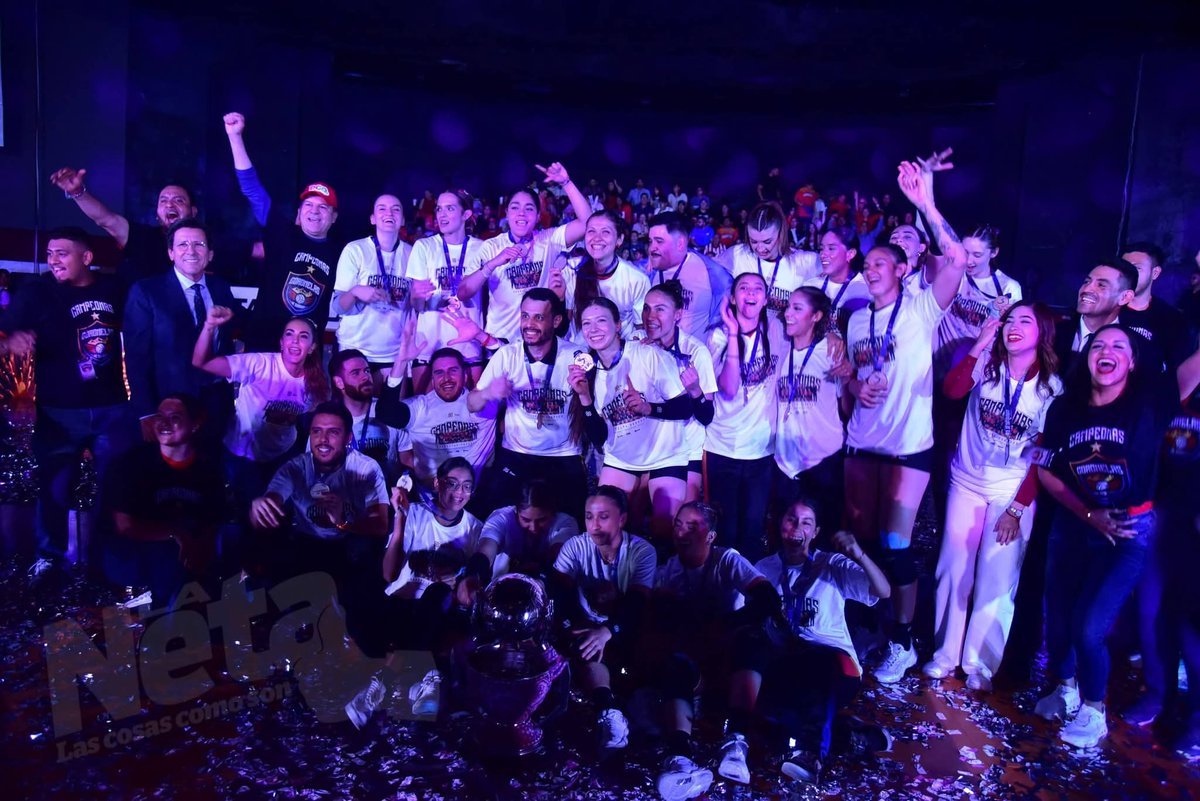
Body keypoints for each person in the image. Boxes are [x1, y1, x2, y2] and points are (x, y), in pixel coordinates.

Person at [842, 158, 966, 684]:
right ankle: (872, 629)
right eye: (866, 264)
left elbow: (956, 258)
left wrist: (926, 204)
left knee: (896, 544)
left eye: (881, 264)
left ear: (902, 270)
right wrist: (855, 384)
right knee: (864, 539)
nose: (870, 270)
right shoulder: (855, 318)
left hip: (907, 447)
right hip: (861, 443)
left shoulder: (920, 307)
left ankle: (904, 640)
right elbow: (850, 377)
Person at [1034, 325, 1177, 748]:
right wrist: (1088, 513)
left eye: (1119, 347)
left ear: (1133, 362)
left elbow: (1187, 374)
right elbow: (1044, 469)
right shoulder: (1064, 408)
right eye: (1098, 344)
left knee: (1089, 627)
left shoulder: (1148, 405)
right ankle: (1065, 687)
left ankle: (1094, 711)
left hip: (1128, 531)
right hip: (1076, 523)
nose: (1106, 351)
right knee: (1058, 622)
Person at [925, 302, 1062, 690]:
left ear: (1042, 333)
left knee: (998, 577)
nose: (1013, 327)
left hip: (1012, 489)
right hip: (966, 481)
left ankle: (979, 666)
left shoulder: (1052, 388)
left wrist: (1017, 509)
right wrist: (980, 342)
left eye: (1025, 321)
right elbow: (951, 391)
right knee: (953, 568)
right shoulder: (986, 365)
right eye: (1009, 321)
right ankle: (944, 656)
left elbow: (1041, 456)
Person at [718, 499, 891, 785]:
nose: (797, 527)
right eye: (791, 519)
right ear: (779, 524)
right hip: (786, 661)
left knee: (815, 662)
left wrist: (858, 553)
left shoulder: (831, 564)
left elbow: (882, 591)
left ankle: (811, 754)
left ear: (815, 531)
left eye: (806, 522)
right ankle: (851, 735)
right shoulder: (764, 567)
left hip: (833, 664)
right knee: (753, 652)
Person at [1, 227, 132, 578]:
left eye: (62, 253)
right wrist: (12, 341)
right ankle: (50, 557)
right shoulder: (37, 292)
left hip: (112, 409)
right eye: (50, 253)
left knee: (114, 486)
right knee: (55, 487)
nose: (53, 259)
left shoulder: (114, 288)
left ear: (87, 258)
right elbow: (6, 335)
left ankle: (106, 558)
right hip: (58, 411)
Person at [649, 501, 777, 800]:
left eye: (692, 526)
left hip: (731, 657)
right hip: (695, 659)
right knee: (673, 662)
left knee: (752, 641)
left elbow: (768, 600)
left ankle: (735, 741)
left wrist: (725, 625)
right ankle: (679, 757)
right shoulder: (669, 569)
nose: (682, 531)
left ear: (710, 536)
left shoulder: (726, 560)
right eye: (679, 524)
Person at [1127, 342, 1200, 755]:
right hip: (1161, 517)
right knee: (1151, 613)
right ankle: (1159, 693)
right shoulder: (1169, 396)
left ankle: (1197, 719)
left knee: (1194, 628)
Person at [569, 298, 693, 537]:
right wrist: (584, 397)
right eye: (586, 324)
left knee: (664, 529)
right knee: (606, 522)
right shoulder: (589, 371)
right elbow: (599, 439)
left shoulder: (646, 354)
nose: (593, 329)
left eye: (601, 321)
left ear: (618, 325)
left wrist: (650, 408)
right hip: (622, 459)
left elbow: (686, 408)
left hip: (664, 455)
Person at [223, 112, 344, 351]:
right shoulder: (282, 233)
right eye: (308, 205)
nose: (314, 211)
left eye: (323, 207)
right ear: (299, 212)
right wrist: (235, 137)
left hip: (306, 359)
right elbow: (252, 190)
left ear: (334, 217)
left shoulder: (343, 252)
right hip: (263, 345)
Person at [551, 486, 656, 750]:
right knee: (584, 648)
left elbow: (637, 602)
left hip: (627, 627)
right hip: (585, 625)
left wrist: (607, 631)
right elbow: (560, 591)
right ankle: (608, 712)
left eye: (603, 517)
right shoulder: (576, 546)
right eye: (588, 516)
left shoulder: (642, 551)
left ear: (622, 519)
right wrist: (576, 627)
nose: (594, 525)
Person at [468, 289, 588, 520]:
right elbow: (472, 404)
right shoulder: (506, 355)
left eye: (538, 317)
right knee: (497, 519)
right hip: (517, 454)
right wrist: (488, 392)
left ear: (556, 321)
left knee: (571, 523)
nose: (529, 324)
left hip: (563, 455)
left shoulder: (575, 356)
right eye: (525, 316)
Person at [193, 309, 329, 509]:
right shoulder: (258, 364)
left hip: (283, 456)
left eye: (303, 337)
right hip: (243, 456)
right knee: (245, 513)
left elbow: (314, 411)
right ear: (281, 342)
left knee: (279, 515)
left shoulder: (315, 382)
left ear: (312, 347)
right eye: (289, 334)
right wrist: (209, 327)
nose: (294, 341)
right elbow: (201, 362)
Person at [104, 394, 227, 606]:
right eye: (160, 416)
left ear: (195, 424)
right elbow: (124, 525)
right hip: (138, 551)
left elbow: (213, 518)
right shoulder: (133, 464)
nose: (164, 423)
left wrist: (201, 546)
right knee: (169, 564)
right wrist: (175, 534)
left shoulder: (207, 468)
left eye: (175, 417)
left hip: (185, 550)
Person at [457, 163, 592, 343]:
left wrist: (566, 182)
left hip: (540, 341)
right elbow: (463, 293)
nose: (521, 213)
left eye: (529, 209)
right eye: (515, 207)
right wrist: (494, 263)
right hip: (500, 344)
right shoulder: (491, 247)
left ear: (537, 217)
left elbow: (587, 223)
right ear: (506, 213)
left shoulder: (548, 239)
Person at [123, 219, 240, 420]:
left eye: (199, 245)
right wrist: (146, 412)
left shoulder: (221, 287)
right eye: (182, 245)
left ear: (210, 254)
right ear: (171, 253)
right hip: (169, 406)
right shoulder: (146, 292)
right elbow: (137, 359)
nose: (191, 251)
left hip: (218, 403)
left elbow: (230, 340)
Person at [705, 272, 783, 563]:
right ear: (733, 297)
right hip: (722, 446)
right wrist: (734, 334)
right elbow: (728, 387)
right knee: (726, 531)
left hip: (761, 448)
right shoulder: (717, 336)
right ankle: (723, 600)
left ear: (765, 298)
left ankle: (749, 600)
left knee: (752, 531)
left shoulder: (777, 332)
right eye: (743, 288)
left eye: (757, 289)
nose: (750, 293)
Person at [772, 288, 845, 540]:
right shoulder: (780, 345)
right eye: (788, 306)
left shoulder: (831, 350)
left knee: (822, 536)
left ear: (816, 316)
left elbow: (844, 402)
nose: (788, 314)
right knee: (783, 536)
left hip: (822, 460)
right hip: (785, 460)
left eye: (797, 308)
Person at [376, 343, 498, 494]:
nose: (446, 378)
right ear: (432, 380)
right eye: (439, 373)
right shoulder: (421, 406)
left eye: (453, 371)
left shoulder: (484, 403)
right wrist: (400, 362)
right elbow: (385, 413)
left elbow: (513, 362)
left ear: (465, 375)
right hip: (432, 498)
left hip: (477, 497)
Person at [49, 167, 203, 283]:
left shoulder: (205, 246)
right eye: (163, 200)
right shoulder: (142, 237)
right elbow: (105, 219)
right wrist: (77, 192)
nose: (169, 204)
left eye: (178, 200)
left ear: (193, 212)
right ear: (156, 213)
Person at [640, 281, 717, 503]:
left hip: (685, 451)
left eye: (659, 309)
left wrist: (695, 391)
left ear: (677, 314)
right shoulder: (642, 347)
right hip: (650, 447)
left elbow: (706, 416)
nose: (650, 316)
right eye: (646, 308)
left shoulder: (696, 352)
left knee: (678, 522)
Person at [331, 194, 420, 384]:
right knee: (353, 413)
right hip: (354, 350)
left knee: (391, 412)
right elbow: (338, 307)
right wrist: (355, 291)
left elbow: (416, 304)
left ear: (403, 219)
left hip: (394, 352)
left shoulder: (412, 253)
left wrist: (420, 295)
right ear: (372, 218)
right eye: (382, 208)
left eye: (396, 209)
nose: (389, 213)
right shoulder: (355, 250)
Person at [407, 189, 487, 391]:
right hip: (429, 347)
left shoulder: (483, 248)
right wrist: (416, 296)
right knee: (427, 416)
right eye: (439, 209)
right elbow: (417, 304)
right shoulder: (423, 247)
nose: (441, 214)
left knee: (471, 416)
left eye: (449, 208)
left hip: (469, 347)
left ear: (466, 215)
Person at [311, 348, 411, 486]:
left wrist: (405, 487)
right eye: (356, 373)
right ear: (339, 382)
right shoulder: (326, 420)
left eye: (367, 371)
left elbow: (408, 462)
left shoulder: (389, 412)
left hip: (387, 499)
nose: (365, 377)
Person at [719, 202, 820, 315]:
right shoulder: (737, 255)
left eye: (767, 242)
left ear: (780, 233)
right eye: (754, 241)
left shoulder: (803, 261)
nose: (760, 248)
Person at [565, 210, 650, 341]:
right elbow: (567, 318)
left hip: (620, 351)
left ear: (619, 239)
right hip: (579, 352)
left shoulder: (637, 279)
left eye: (605, 232)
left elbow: (640, 328)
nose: (597, 238)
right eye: (591, 231)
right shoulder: (571, 269)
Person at [646, 212, 732, 340]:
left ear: (680, 243)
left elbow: (725, 317)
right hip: (659, 355)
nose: (652, 247)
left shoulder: (712, 272)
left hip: (694, 356)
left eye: (659, 241)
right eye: (650, 241)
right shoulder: (649, 270)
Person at [477, 479, 579, 579]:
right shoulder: (501, 518)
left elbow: (559, 559)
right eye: (526, 520)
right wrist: (474, 575)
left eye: (541, 520)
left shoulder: (565, 523)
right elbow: (486, 549)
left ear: (553, 513)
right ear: (516, 511)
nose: (533, 528)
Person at [1051, 260, 1139, 374]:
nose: (1086, 289)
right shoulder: (1053, 332)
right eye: (1086, 282)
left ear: (1125, 297)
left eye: (1101, 285)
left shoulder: (1134, 345)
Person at [1119, 241, 1193, 371]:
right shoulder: (1106, 308)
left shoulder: (1171, 319)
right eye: (1125, 267)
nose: (1129, 273)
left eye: (1137, 268)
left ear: (1155, 273)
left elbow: (1178, 370)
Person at [804, 224, 870, 333]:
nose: (823, 254)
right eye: (821, 248)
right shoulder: (811, 287)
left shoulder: (865, 290)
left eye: (831, 248)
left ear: (850, 254)